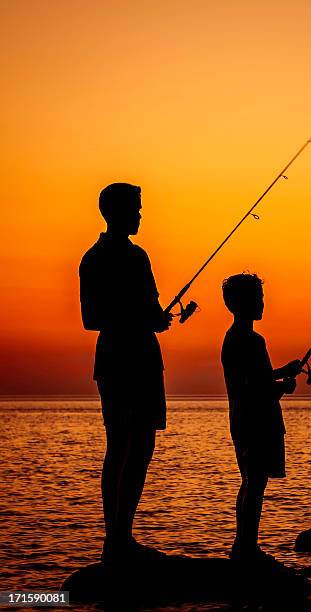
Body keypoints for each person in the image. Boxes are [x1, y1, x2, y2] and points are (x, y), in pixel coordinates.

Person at [79, 182, 172, 563]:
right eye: (135, 208)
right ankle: (117, 539)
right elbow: (91, 319)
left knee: (133, 445)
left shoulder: (130, 256)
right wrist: (147, 318)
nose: (139, 214)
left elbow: (149, 309)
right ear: (114, 211)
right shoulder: (106, 258)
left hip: (134, 356)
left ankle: (120, 537)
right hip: (125, 357)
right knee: (125, 445)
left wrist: (156, 318)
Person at [221, 273, 301, 563]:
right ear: (239, 303)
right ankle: (246, 549)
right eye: (257, 298)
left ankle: (243, 546)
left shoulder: (234, 338)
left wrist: (282, 372)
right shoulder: (251, 340)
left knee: (250, 482)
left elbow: (255, 379)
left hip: (242, 418)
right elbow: (255, 387)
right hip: (257, 420)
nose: (262, 303)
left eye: (261, 297)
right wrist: (284, 386)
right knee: (254, 484)